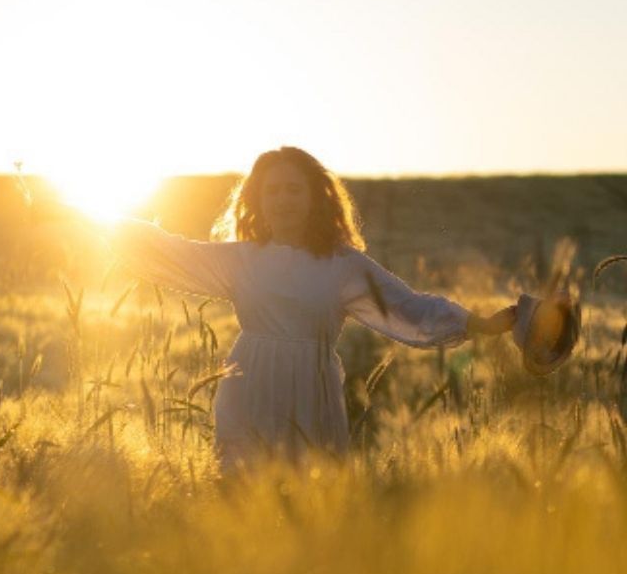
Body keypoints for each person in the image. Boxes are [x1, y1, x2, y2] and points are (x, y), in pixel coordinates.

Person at [108, 146, 517, 472]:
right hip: (246, 388)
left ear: (314, 198)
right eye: (272, 191)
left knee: (312, 499)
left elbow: (408, 307)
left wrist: (479, 323)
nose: (282, 200)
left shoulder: (343, 265)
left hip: (312, 395)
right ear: (257, 200)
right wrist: (94, 222)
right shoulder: (241, 259)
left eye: (293, 189)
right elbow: (171, 252)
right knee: (241, 500)